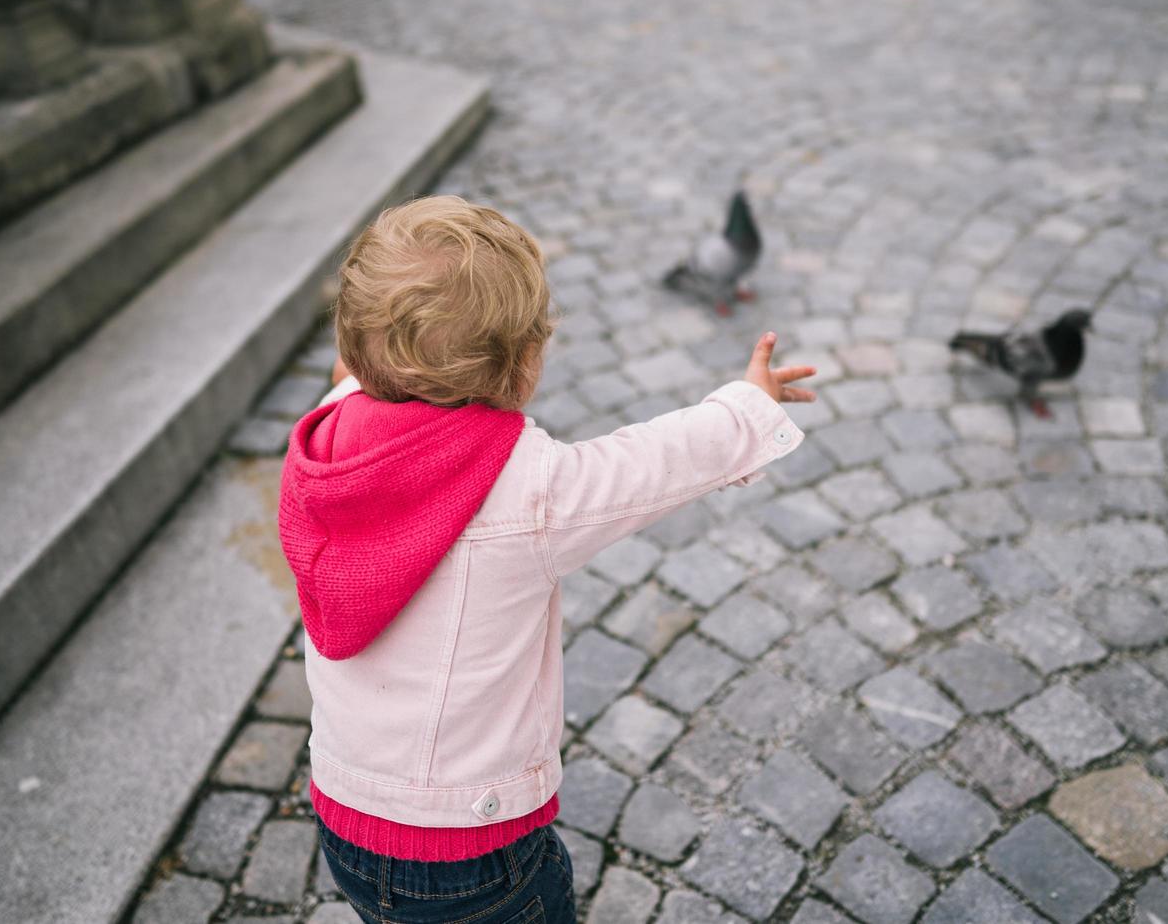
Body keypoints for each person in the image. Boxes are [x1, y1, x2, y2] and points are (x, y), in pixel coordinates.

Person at [278, 195, 815, 923]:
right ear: (525, 363)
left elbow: (356, 369)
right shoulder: (525, 487)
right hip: (469, 852)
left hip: (346, 820)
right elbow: (653, 463)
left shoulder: (326, 443)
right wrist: (748, 407)